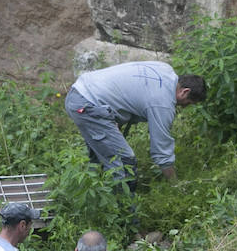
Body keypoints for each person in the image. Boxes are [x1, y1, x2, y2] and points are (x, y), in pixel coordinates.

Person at [64, 61, 206, 188]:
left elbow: (130, 92)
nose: (184, 107)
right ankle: (124, 213)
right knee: (124, 161)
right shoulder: (163, 103)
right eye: (189, 103)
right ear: (184, 91)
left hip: (81, 91)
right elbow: (161, 151)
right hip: (88, 105)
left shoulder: (165, 70)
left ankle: (93, 198)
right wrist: (175, 185)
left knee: (101, 157)